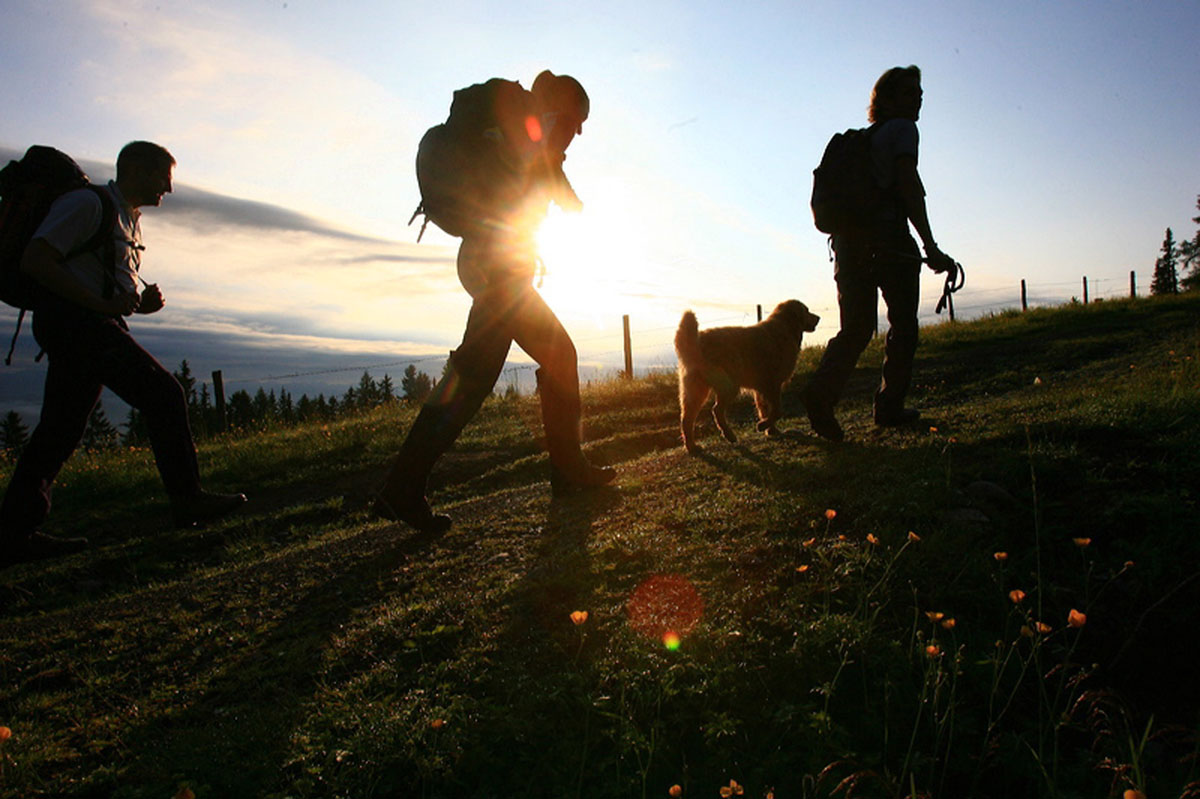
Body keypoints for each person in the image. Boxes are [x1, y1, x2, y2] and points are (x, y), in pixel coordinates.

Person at [375, 70, 614, 533]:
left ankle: (401, 488)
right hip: (495, 267)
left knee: (482, 374)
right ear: (561, 110)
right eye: (574, 123)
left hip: (489, 261)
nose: (573, 135)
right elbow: (542, 181)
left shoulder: (515, 125)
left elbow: (525, 190)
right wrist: (569, 203)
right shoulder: (528, 124)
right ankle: (567, 473)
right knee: (551, 356)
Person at [0, 141, 245, 567]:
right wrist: (101, 307)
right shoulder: (87, 204)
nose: (167, 189)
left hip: (83, 324)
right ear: (133, 169)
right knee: (164, 394)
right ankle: (187, 499)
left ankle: (13, 534)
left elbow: (100, 277)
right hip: (78, 325)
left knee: (60, 429)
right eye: (161, 177)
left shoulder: (125, 216)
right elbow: (37, 260)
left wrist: (138, 302)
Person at [803, 65, 957, 442]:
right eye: (909, 93)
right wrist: (931, 246)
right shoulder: (903, 129)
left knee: (856, 328)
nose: (918, 98)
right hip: (888, 240)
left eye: (920, 93)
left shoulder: (862, 141)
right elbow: (908, 186)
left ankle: (820, 395)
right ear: (886, 101)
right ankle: (889, 407)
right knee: (903, 325)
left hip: (847, 244)